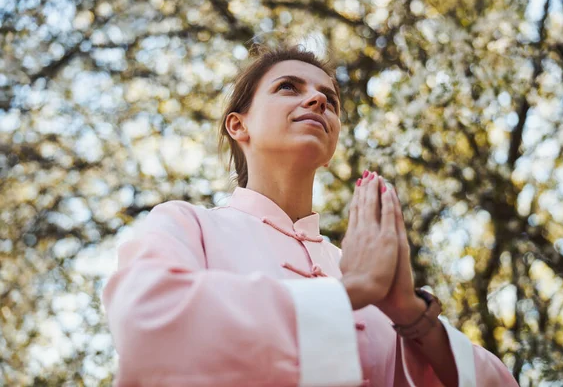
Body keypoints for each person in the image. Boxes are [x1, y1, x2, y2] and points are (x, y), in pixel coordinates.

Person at [102, 45, 519, 387]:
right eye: (288, 87)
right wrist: (350, 293)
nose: (318, 99)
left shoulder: (358, 265)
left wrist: (409, 312)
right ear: (237, 125)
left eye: (331, 100)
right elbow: (146, 321)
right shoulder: (187, 224)